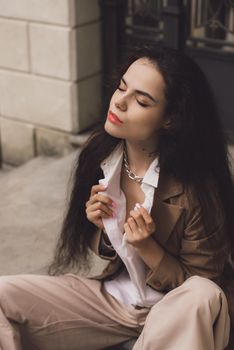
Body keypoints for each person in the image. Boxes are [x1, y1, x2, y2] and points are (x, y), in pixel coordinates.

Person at [0, 44, 233, 350]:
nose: (120, 102)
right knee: (3, 294)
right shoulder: (102, 153)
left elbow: (204, 288)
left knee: (202, 293)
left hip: (175, 311)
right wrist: (102, 230)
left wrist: (148, 247)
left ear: (170, 119)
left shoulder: (197, 186)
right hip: (116, 302)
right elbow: (107, 251)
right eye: (122, 87)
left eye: (141, 101)